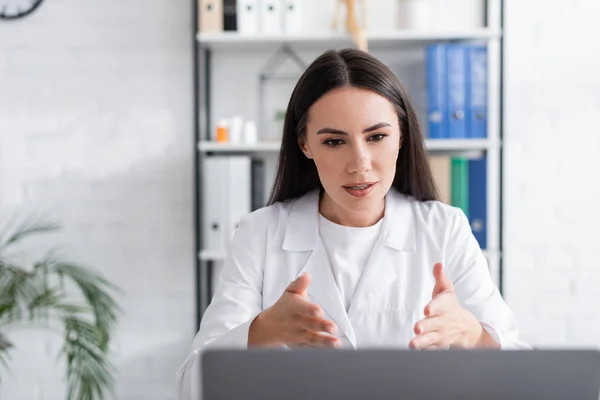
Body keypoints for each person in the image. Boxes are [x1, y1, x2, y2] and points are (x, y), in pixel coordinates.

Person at [177, 48, 529, 399]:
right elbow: (192, 385)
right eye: (334, 142)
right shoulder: (259, 233)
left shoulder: (445, 228)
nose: (359, 164)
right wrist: (262, 331)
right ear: (305, 145)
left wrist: (470, 332)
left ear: (402, 136)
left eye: (376, 137)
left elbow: (523, 376)